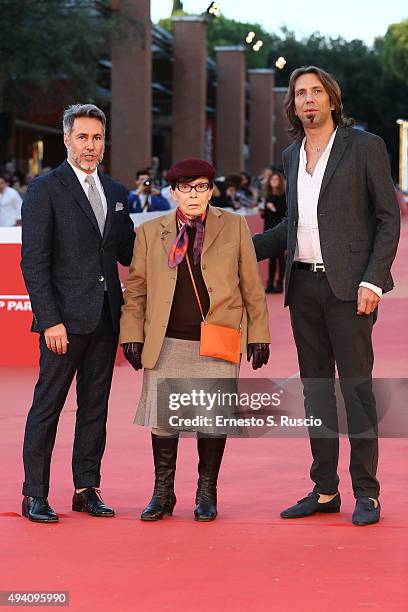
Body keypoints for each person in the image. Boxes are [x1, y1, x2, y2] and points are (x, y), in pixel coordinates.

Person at [253, 66, 400, 526]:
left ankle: (368, 493)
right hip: (304, 286)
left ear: (332, 100)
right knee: (316, 393)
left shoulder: (365, 146)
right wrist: (232, 247)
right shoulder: (291, 155)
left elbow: (387, 218)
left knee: (355, 389)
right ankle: (324, 489)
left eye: (316, 92)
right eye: (301, 94)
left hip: (351, 288)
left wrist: (373, 281)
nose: (309, 100)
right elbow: (289, 226)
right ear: (293, 105)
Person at [120, 158, 270, 522]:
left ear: (211, 190)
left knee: (213, 417)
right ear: (173, 192)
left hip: (217, 336)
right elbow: (136, 290)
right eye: (185, 187)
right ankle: (163, 492)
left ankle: (206, 491)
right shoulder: (150, 232)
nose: (193, 194)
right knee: (164, 419)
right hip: (166, 338)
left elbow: (252, 285)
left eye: (201, 186)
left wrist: (258, 335)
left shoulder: (233, 226)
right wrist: (131, 334)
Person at [20, 104, 135, 523]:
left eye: (97, 138)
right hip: (63, 323)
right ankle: (34, 493)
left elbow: (128, 253)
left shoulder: (117, 193)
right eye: (82, 137)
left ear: (105, 142)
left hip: (106, 318)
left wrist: (179, 241)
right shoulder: (44, 189)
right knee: (47, 407)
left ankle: (86, 488)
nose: (90, 146)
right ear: (66, 139)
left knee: (94, 408)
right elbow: (33, 261)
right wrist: (50, 320)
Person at [261, 172, 287, 293]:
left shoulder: (283, 196)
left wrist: (273, 208)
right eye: (272, 179)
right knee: (271, 258)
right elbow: (265, 216)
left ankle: (279, 284)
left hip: (279, 229)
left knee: (280, 258)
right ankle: (270, 283)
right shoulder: (268, 195)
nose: (274, 181)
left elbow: (284, 213)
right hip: (269, 228)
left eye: (276, 179)